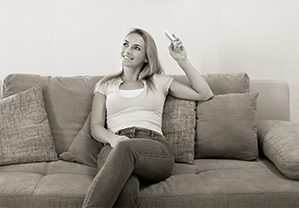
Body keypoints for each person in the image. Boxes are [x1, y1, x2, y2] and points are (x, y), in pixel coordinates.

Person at [82, 28, 213, 208]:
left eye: (136, 48)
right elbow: (96, 126)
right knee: (126, 188)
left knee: (126, 148)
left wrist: (181, 60)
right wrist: (114, 139)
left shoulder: (158, 81)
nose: (127, 51)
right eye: (126, 44)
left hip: (153, 148)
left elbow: (204, 93)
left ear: (146, 57)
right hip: (114, 146)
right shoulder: (105, 85)